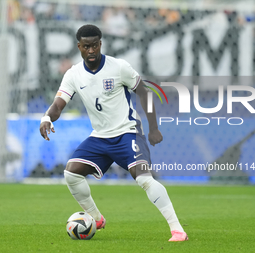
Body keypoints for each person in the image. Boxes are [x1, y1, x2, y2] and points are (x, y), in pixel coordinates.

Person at [39, 24, 188, 242]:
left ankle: (177, 230)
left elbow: (144, 93)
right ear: (79, 47)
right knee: (71, 173)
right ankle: (97, 219)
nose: (91, 51)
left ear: (101, 44)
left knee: (144, 179)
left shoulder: (119, 67)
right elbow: (58, 104)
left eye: (95, 45)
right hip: (100, 136)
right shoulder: (73, 74)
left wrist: (153, 127)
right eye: (86, 46)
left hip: (128, 133)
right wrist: (46, 118)